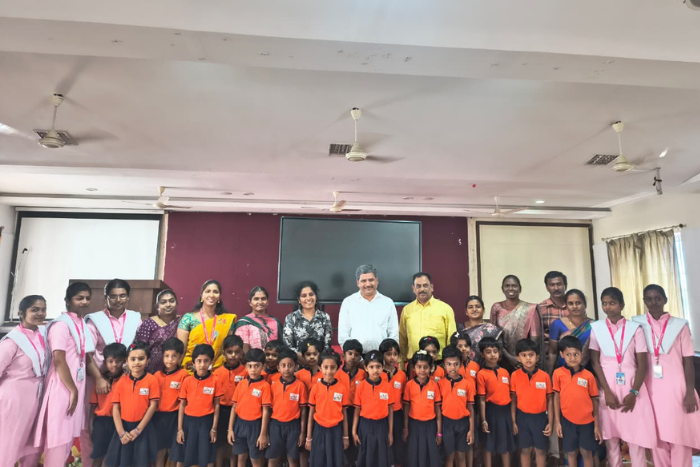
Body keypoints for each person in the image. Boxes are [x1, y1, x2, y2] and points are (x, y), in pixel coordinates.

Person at [632, 284, 700, 467]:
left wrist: (690, 392)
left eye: (657, 298)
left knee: (679, 435)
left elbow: (688, 361)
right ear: (644, 301)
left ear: (665, 300)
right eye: (649, 299)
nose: (653, 302)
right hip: (650, 388)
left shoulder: (679, 326)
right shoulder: (638, 325)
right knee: (657, 437)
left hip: (676, 388)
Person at [34, 282, 99, 467]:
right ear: (68, 301)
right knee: (58, 439)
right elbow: (59, 360)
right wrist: (73, 390)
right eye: (79, 298)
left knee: (67, 441)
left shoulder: (81, 323)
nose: (84, 302)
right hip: (62, 387)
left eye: (87, 298)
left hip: (74, 387)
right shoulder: (61, 325)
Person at [589, 287, 655, 467]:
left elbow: (642, 364)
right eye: (604, 303)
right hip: (607, 387)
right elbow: (595, 362)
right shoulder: (597, 328)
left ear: (622, 305)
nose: (608, 307)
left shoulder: (635, 329)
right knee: (611, 438)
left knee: (636, 437)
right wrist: (607, 392)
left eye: (612, 303)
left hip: (632, 387)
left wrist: (634, 392)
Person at [0, 295, 48, 467]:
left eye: (43, 309)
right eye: (35, 310)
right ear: (21, 313)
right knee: (9, 444)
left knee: (32, 446)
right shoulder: (11, 342)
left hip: (37, 399)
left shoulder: (43, 336)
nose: (40, 313)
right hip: (14, 400)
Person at [105, 340, 160, 467]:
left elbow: (153, 406)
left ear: (147, 360)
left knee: (141, 462)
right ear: (127, 361)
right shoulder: (121, 382)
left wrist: (138, 430)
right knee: (124, 461)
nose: (136, 362)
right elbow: (115, 408)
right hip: (124, 429)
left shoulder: (152, 380)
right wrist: (121, 433)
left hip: (142, 428)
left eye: (141, 358)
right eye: (133, 359)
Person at [552, 336, 601, 467]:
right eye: (568, 354)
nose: (572, 358)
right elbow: (556, 398)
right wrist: (557, 422)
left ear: (581, 354)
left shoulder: (589, 376)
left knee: (586, 453)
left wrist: (596, 425)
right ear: (562, 355)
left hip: (587, 422)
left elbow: (595, 400)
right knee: (571, 453)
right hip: (567, 421)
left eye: (576, 354)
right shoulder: (558, 374)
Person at [172, 344, 223, 467]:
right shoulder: (187, 381)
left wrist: (214, 428)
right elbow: (182, 405)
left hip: (206, 423)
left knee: (207, 456)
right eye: (199, 361)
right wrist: (180, 429)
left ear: (211, 362)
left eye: (206, 361)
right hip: (188, 423)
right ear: (194, 362)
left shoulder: (215, 380)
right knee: (183, 455)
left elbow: (217, 406)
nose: (202, 364)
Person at [177, 280, 237, 372]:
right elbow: (181, 350)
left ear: (219, 297)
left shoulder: (226, 320)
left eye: (215, 292)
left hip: (218, 370)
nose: (211, 295)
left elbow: (228, 348)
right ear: (202, 295)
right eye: (208, 291)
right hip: (191, 370)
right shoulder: (188, 319)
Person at [399, 272, 457, 366]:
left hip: (438, 363)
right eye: (418, 286)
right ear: (413, 289)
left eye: (425, 285)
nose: (422, 289)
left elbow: (452, 338)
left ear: (432, 287)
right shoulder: (407, 310)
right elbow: (402, 339)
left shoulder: (445, 309)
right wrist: (401, 363)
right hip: (414, 363)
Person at [510, 339, 552, 467]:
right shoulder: (514, 376)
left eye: (531, 355)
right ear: (518, 358)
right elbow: (513, 400)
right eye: (524, 355)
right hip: (522, 418)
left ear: (537, 357)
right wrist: (513, 421)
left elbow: (550, 400)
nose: (528, 358)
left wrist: (550, 422)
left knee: (540, 451)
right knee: (525, 450)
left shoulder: (544, 376)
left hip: (540, 418)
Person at [338, 264, 399, 351]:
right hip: (356, 356)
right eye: (363, 281)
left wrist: (387, 354)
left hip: (381, 356)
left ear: (377, 281)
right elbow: (343, 335)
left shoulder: (388, 303)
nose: (368, 284)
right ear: (358, 283)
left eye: (371, 280)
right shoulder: (348, 302)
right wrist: (354, 356)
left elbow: (394, 334)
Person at [305, 350, 349, 467]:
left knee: (335, 461)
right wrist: (308, 438)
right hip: (319, 430)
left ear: (338, 368)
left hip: (336, 430)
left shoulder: (342, 388)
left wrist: (345, 436)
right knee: (319, 461)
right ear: (320, 367)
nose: (329, 371)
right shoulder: (315, 388)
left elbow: (344, 414)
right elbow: (311, 414)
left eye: (332, 367)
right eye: (325, 367)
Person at [229, 348, 272, 467]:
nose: (253, 370)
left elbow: (265, 411)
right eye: (250, 366)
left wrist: (263, 434)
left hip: (255, 426)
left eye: (256, 366)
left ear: (263, 366)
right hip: (240, 424)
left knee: (255, 459)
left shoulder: (265, 386)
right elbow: (234, 407)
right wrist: (230, 429)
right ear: (246, 367)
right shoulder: (241, 384)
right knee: (241, 457)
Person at [490, 275, 542, 372]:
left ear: (520, 288)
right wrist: (509, 357)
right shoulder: (496, 307)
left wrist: (522, 358)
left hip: (524, 360)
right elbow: (493, 337)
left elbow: (535, 339)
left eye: (514, 286)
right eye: (507, 286)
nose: (511, 288)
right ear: (502, 289)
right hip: (501, 358)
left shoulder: (530, 309)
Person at [266, 348, 308, 467]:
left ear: (296, 366)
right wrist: (266, 431)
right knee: (273, 459)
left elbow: (303, 411)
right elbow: (268, 409)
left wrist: (302, 432)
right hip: (275, 425)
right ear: (278, 367)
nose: (286, 369)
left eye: (290, 365)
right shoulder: (273, 384)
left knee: (293, 459)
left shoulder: (300, 386)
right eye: (283, 365)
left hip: (293, 426)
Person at [352, 350, 394, 467]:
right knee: (367, 456)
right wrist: (354, 431)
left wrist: (390, 433)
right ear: (366, 368)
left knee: (381, 456)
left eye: (378, 366)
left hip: (382, 425)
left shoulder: (387, 387)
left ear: (383, 367)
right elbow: (357, 410)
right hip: (365, 425)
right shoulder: (361, 386)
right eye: (371, 367)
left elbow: (390, 410)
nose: (375, 370)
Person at [477, 337, 514, 467]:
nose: (492, 355)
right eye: (488, 352)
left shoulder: (505, 372)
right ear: (482, 354)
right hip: (491, 411)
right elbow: (482, 399)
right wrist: (483, 420)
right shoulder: (481, 374)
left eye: (495, 351)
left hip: (505, 411)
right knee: (489, 444)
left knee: (505, 443)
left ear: (499, 353)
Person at [402, 350, 442, 467]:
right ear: (414, 368)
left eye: (425, 367)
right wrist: (405, 429)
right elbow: (406, 408)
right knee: (414, 454)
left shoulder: (434, 385)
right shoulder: (409, 385)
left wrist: (439, 432)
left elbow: (438, 410)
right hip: (414, 425)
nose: (422, 370)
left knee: (430, 455)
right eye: (419, 367)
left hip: (430, 425)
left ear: (430, 368)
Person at [90, 342, 127, 467]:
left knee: (114, 459)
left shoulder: (127, 379)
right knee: (97, 456)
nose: (114, 364)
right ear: (105, 362)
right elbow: (93, 407)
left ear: (125, 361)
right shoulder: (100, 381)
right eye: (110, 361)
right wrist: (91, 427)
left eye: (118, 361)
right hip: (101, 423)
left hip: (119, 423)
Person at [438, 345, 475, 467]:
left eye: (456, 364)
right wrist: (439, 432)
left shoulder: (467, 384)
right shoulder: (440, 384)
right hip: (447, 423)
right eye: (449, 364)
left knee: (461, 456)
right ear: (444, 365)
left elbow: (470, 408)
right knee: (449, 456)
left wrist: (471, 430)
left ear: (461, 365)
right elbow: (438, 409)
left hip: (463, 424)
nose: (452, 368)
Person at [154, 338, 189, 467]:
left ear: (180, 357)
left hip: (175, 417)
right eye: (167, 356)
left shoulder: (183, 374)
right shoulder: (156, 375)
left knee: (173, 451)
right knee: (160, 451)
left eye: (174, 356)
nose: (170, 359)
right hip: (158, 418)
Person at [213, 335, 246, 467]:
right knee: (220, 444)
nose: (233, 355)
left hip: (238, 412)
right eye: (229, 352)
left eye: (237, 352)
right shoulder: (217, 373)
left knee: (234, 444)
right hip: (221, 411)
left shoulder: (245, 371)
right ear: (224, 352)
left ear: (242, 353)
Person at [282, 281, 332, 364]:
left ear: (316, 297)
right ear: (299, 300)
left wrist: (316, 360)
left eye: (311, 294)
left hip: (320, 364)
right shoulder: (291, 318)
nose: (308, 298)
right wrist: (303, 359)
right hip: (297, 364)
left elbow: (327, 346)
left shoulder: (325, 317)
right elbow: (288, 346)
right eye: (304, 296)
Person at [135, 289, 181, 374]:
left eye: (171, 301)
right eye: (163, 302)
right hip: (150, 371)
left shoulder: (182, 321)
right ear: (157, 306)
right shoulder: (149, 323)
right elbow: (140, 347)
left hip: (174, 368)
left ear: (177, 303)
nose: (168, 305)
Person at [547, 289, 593, 374]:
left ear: (585, 304)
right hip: (563, 373)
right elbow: (553, 353)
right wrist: (549, 375)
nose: (575, 307)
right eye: (570, 303)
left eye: (578, 303)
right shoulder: (557, 324)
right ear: (566, 306)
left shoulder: (594, 325)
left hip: (588, 372)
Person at [379, 338, 407, 467]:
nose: (392, 357)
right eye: (388, 354)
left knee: (397, 442)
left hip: (397, 414)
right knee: (384, 442)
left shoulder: (401, 375)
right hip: (382, 414)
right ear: (382, 355)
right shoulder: (377, 373)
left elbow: (403, 396)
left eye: (395, 354)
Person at [337, 339, 365, 465]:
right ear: (343, 355)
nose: (353, 357)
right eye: (350, 353)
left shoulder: (363, 374)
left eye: (356, 355)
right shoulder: (337, 374)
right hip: (342, 412)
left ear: (360, 358)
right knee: (344, 441)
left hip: (358, 411)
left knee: (357, 441)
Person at [458, 296, 504, 365]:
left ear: (483, 310)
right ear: (466, 311)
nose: (474, 309)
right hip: (464, 368)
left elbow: (499, 353)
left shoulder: (492, 330)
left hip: (487, 368)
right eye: (470, 307)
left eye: (478, 307)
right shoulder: (460, 328)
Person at [235, 286, 282, 353]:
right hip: (252, 359)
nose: (260, 302)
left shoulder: (275, 322)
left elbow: (282, 348)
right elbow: (243, 351)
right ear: (250, 303)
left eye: (263, 299)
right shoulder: (244, 323)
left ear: (267, 302)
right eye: (256, 299)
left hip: (273, 359)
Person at [538, 272, 568, 341]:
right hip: (550, 346)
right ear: (547, 288)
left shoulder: (574, 305)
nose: (556, 288)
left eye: (559, 284)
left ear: (565, 286)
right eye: (552, 285)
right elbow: (538, 333)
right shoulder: (541, 308)